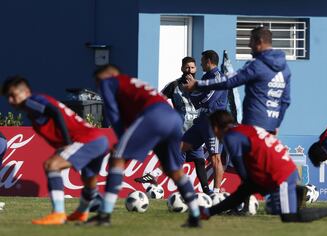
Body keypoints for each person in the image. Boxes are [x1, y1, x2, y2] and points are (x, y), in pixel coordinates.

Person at [87, 64, 200, 227]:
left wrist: (121, 142)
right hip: (173, 118)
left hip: (153, 116)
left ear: (109, 74)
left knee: (117, 159)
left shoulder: (109, 82)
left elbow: (112, 113)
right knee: (174, 169)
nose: (98, 85)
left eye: (98, 80)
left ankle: (104, 215)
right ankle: (196, 216)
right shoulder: (131, 84)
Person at [200, 110, 327, 224]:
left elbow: (243, 172)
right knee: (249, 196)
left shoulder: (231, 137)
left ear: (215, 128)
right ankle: (207, 213)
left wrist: (255, 189)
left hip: (280, 173)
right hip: (281, 168)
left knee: (289, 216)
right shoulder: (244, 129)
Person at [2, 76, 110, 225]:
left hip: (86, 140)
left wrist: (66, 143)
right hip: (100, 140)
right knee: (88, 178)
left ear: (26, 92)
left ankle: (58, 214)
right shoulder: (37, 103)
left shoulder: (31, 101)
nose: (11, 101)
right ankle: (83, 212)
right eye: (8, 97)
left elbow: (55, 112)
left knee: (51, 165)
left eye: (13, 95)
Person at [184, 27, 290, 135]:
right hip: (271, 125)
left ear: (260, 42)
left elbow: (230, 80)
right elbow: (285, 101)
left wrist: (198, 84)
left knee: (238, 148)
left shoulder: (257, 64)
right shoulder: (285, 68)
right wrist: (276, 124)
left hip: (254, 123)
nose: (249, 45)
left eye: (251, 41)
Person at [135, 57, 213, 195]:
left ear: (196, 69)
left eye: (193, 67)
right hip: (180, 130)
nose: (190, 70)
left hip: (196, 130)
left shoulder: (201, 85)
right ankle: (205, 192)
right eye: (187, 67)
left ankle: (207, 192)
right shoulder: (174, 85)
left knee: (199, 160)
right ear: (182, 68)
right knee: (185, 160)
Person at [181, 50, 228, 194]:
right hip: (201, 121)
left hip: (214, 123)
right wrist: (192, 92)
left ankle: (216, 192)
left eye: (201, 61)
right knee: (180, 147)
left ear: (208, 61)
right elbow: (197, 96)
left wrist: (192, 93)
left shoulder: (218, 77)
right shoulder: (206, 76)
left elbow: (208, 99)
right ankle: (158, 178)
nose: (200, 64)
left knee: (215, 157)